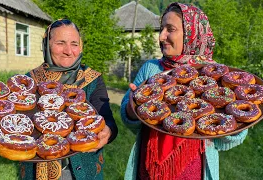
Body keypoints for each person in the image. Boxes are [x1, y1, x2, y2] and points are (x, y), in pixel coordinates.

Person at [120, 2, 248, 180]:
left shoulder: (215, 75)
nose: (162, 36)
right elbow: (129, 118)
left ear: (191, 34)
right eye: (161, 28)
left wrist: (238, 121)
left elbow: (230, 137)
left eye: (170, 29)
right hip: (149, 167)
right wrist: (132, 107)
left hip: (195, 170)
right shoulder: (151, 69)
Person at [20, 19, 118, 180]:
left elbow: (107, 119)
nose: (68, 51)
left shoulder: (92, 80)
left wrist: (109, 131)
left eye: (74, 43)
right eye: (60, 43)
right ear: (47, 44)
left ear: (80, 47)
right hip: (36, 170)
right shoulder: (30, 81)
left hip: (84, 171)